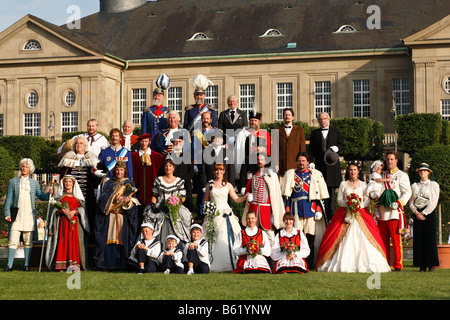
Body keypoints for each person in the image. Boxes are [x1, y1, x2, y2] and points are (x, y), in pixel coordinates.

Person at [315, 161, 391, 273]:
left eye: (355, 170)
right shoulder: (343, 184)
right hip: (345, 213)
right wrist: (349, 204)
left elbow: (367, 200)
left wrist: (358, 205)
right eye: (351, 170)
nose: (353, 172)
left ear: (358, 171)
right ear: (348, 171)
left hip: (361, 213)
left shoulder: (364, 184)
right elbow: (339, 200)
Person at [3, 158, 53, 271]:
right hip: (16, 216)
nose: (24, 168)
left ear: (30, 169)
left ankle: (26, 265)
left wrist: (49, 194)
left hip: (30, 216)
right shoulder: (13, 182)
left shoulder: (34, 183)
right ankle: (9, 265)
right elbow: (8, 200)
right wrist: (7, 214)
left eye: (26, 167)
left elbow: (41, 196)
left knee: (28, 241)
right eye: (23, 166)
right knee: (13, 240)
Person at [281, 152, 329, 267]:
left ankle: (310, 263)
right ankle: (296, 262)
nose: (301, 163)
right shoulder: (291, 174)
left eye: (303, 161)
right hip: (295, 210)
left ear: (308, 162)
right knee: (296, 237)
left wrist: (318, 209)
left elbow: (317, 194)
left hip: (310, 210)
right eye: (299, 161)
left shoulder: (314, 174)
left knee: (310, 238)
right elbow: (287, 195)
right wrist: (288, 211)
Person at [94, 161, 139, 270]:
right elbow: (103, 197)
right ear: (115, 171)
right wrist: (114, 197)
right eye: (117, 170)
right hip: (110, 216)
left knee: (122, 239)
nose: (119, 172)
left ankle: (122, 264)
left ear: (125, 171)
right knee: (109, 238)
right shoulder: (109, 183)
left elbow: (134, 201)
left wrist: (128, 202)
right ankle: (106, 264)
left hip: (122, 216)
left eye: (121, 170)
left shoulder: (129, 184)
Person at [203, 164, 248, 272]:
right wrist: (208, 209)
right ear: (214, 172)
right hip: (214, 214)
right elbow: (205, 201)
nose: (219, 172)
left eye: (221, 170)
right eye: (217, 170)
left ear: (224, 171)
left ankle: (234, 262)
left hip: (226, 213)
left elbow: (236, 199)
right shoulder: (209, 184)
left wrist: (245, 197)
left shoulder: (228, 185)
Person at [58, 135, 103, 240]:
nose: (79, 145)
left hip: (88, 195)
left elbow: (101, 175)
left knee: (89, 218)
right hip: (72, 196)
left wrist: (95, 172)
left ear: (85, 146)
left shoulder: (92, 158)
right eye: (77, 143)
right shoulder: (68, 158)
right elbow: (63, 177)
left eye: (81, 143)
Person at [375, 151, 412, 271]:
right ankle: (385, 263)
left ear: (396, 161)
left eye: (391, 159)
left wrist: (399, 202)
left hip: (394, 212)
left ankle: (397, 264)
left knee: (396, 241)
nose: (389, 162)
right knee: (383, 240)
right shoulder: (382, 176)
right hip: (382, 212)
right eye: (388, 160)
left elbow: (408, 192)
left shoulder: (402, 175)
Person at [143, 158, 192, 244]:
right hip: (160, 208)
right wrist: (154, 205)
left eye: (170, 166)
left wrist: (176, 203)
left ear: (173, 167)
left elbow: (183, 197)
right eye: (166, 166)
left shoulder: (179, 181)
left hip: (175, 209)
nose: (168, 168)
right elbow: (154, 195)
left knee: (179, 227)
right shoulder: (158, 180)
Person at [45, 175, 89, 271]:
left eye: (70, 182)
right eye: (66, 182)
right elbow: (54, 212)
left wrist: (75, 211)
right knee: (63, 242)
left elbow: (83, 211)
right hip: (62, 225)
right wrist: (61, 211)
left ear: (73, 184)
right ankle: (61, 265)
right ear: (63, 184)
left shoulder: (78, 198)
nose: (68, 183)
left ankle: (73, 265)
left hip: (75, 225)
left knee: (73, 243)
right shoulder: (59, 198)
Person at [242, 153, 284, 244]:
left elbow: (275, 195)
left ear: (266, 161)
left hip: (266, 209)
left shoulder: (272, 175)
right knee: (252, 233)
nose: (259, 162)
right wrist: (248, 196)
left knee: (270, 235)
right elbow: (247, 190)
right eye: (258, 160)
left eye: (261, 160)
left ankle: (270, 256)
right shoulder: (252, 175)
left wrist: (273, 215)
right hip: (253, 208)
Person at [309, 112, 344, 219]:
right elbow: (311, 150)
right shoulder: (314, 133)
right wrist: (311, 162)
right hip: (319, 167)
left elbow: (341, 144)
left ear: (328, 120)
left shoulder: (335, 131)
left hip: (332, 167)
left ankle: (331, 218)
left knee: (331, 195)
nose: (323, 121)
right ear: (318, 121)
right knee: (319, 191)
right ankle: (321, 216)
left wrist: (337, 148)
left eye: (324, 119)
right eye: (320, 119)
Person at [409, 163, 440, 272]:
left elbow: (434, 201)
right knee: (419, 239)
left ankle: (431, 264)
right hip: (418, 212)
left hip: (429, 213)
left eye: (424, 171)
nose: (422, 172)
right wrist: (416, 213)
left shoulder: (433, 185)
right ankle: (422, 265)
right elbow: (411, 201)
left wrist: (424, 213)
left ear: (428, 172)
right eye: (420, 171)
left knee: (430, 239)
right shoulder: (414, 186)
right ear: (418, 173)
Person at [131, 133, 165, 225]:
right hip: (138, 191)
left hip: (153, 191)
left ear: (149, 142)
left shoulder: (158, 157)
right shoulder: (133, 156)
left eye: (146, 141)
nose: (144, 143)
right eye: (142, 141)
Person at [238, 111, 272, 193]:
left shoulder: (265, 133)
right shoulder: (244, 133)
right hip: (249, 163)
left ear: (259, 122)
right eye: (252, 120)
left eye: (255, 120)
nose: (253, 122)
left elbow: (268, 150)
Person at [191, 111, 216, 219]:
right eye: (204, 118)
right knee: (202, 188)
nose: (205, 120)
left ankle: (214, 213)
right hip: (201, 164)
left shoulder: (216, 132)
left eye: (207, 118)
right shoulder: (197, 133)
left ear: (211, 120)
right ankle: (201, 213)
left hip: (213, 165)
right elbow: (194, 149)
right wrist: (195, 163)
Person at [277, 108, 306, 177]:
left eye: (289, 115)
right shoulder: (276, 130)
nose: (287, 116)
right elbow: (274, 150)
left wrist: (302, 163)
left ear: (293, 117)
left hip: (295, 165)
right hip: (281, 166)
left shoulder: (300, 130)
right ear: (283, 117)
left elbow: (302, 149)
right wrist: (275, 164)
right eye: (285, 115)